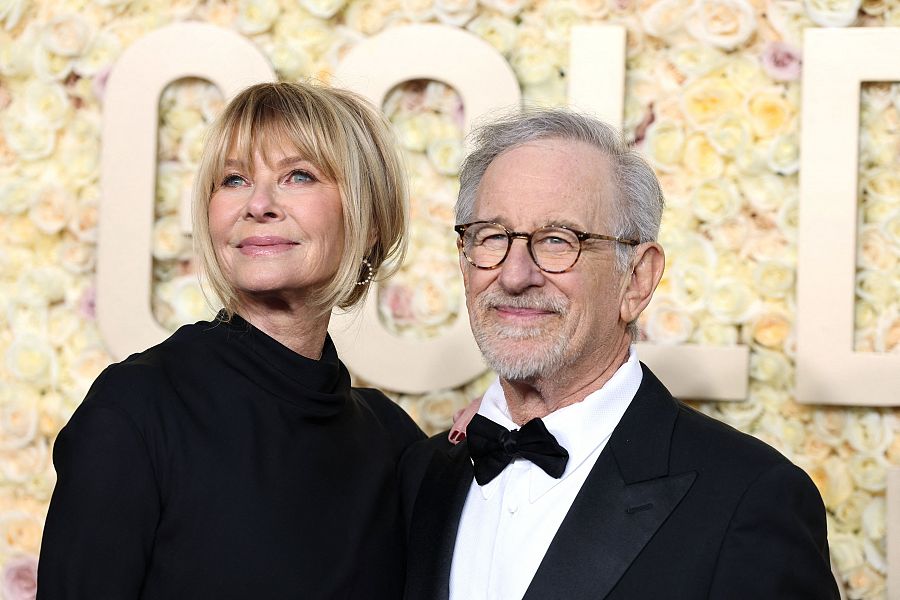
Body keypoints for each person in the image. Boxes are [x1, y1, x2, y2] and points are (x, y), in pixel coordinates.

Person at [399, 108, 839, 599]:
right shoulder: (421, 475)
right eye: (493, 237)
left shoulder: (749, 497)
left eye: (557, 240)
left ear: (637, 279)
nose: (514, 274)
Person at [38, 81, 424, 599]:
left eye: (298, 175)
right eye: (235, 179)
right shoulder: (137, 409)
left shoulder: (393, 441)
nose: (259, 204)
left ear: (369, 218)